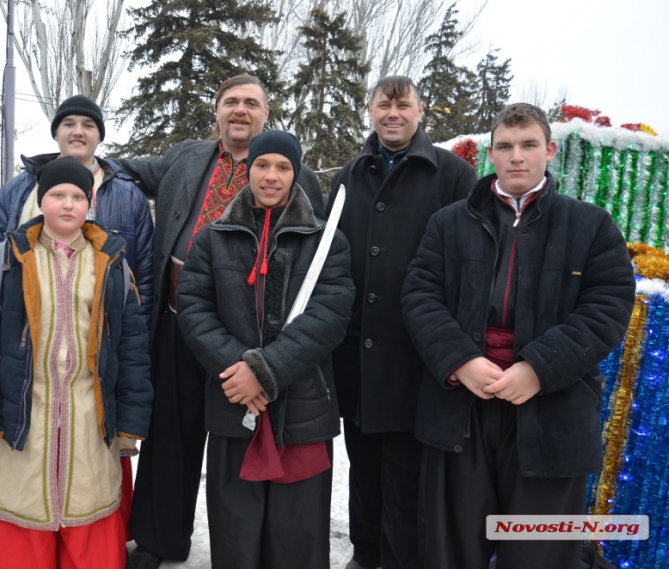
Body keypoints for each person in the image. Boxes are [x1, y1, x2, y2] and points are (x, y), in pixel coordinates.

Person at [401, 103, 636, 569]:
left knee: (539, 549)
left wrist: (537, 369)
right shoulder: (449, 223)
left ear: (549, 150)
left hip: (551, 411)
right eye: (505, 147)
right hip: (461, 409)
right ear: (491, 155)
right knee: (452, 548)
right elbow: (419, 295)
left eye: (528, 145)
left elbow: (606, 307)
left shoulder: (590, 226)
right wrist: (460, 361)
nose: (517, 157)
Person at [114, 74, 326, 568]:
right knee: (171, 435)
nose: (239, 110)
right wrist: (74, 166)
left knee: (242, 441)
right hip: (179, 321)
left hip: (253, 338)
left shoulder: (298, 176)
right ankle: (158, 540)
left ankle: (250, 548)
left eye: (250, 103)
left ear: (265, 114)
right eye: (230, 101)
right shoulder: (185, 157)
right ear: (217, 110)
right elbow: (121, 168)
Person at [0, 156, 153, 569]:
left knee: (91, 527)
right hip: (19, 427)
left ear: (90, 203)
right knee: (22, 528)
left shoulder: (114, 265)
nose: (68, 204)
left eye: (78, 196)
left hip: (89, 422)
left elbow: (132, 350)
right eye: (57, 195)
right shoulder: (2, 261)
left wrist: (131, 423)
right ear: (40, 200)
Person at [175, 130, 354, 569]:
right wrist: (239, 371)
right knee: (236, 531)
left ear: (296, 173)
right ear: (248, 169)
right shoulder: (213, 237)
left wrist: (266, 370)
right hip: (234, 402)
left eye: (283, 167)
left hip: (303, 409)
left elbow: (328, 317)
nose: (271, 176)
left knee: (297, 536)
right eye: (262, 165)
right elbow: (194, 310)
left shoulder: (326, 241)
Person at [326, 75, 477, 569]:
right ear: (369, 111)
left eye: (403, 105)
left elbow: (471, 259)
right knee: (363, 470)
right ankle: (366, 554)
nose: (393, 113)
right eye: (383, 105)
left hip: (418, 354)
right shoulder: (348, 175)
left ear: (420, 111)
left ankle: (403, 559)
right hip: (358, 354)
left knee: (408, 475)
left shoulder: (453, 176)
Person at [0, 94, 153, 332]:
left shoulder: (129, 196)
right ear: (55, 133)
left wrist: (138, 347)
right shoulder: (18, 191)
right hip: (27, 337)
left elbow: (143, 279)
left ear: (100, 136)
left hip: (103, 340)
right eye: (69, 124)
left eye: (88, 125)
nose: (78, 131)